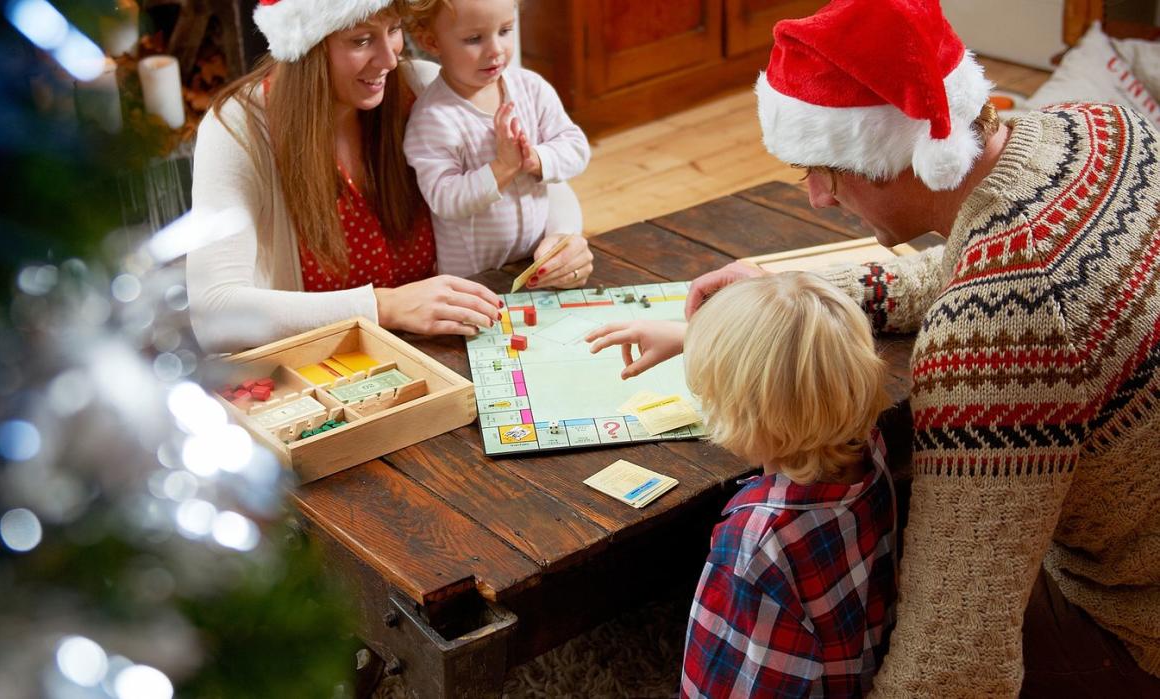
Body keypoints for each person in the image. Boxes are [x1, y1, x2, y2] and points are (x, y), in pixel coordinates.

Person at [598, 1, 1160, 695]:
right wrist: (782, 295)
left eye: (823, 172)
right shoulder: (1093, 128)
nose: (816, 200)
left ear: (890, 157)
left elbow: (958, 663)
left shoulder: (996, 328)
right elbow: (955, 266)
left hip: (1136, 627)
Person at [185, 0, 584, 353]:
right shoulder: (238, 129)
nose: (391, 60)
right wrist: (386, 306)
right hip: (331, 366)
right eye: (361, 40)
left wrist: (563, 237)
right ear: (306, 46)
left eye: (393, 30)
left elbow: (525, 173)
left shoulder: (423, 87)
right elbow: (213, 313)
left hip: (456, 340)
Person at [670, 273, 897, 698]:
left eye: (712, 396)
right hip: (859, 664)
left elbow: (724, 685)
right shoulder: (871, 446)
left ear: (747, 413)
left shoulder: (754, 540)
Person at [403, 0, 593, 284]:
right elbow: (445, 198)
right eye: (474, 39)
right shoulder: (433, 118)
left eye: (505, 30)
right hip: (476, 280)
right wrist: (501, 167)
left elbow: (576, 146)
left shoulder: (530, 88)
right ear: (431, 41)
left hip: (535, 260)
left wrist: (536, 159)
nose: (496, 50)